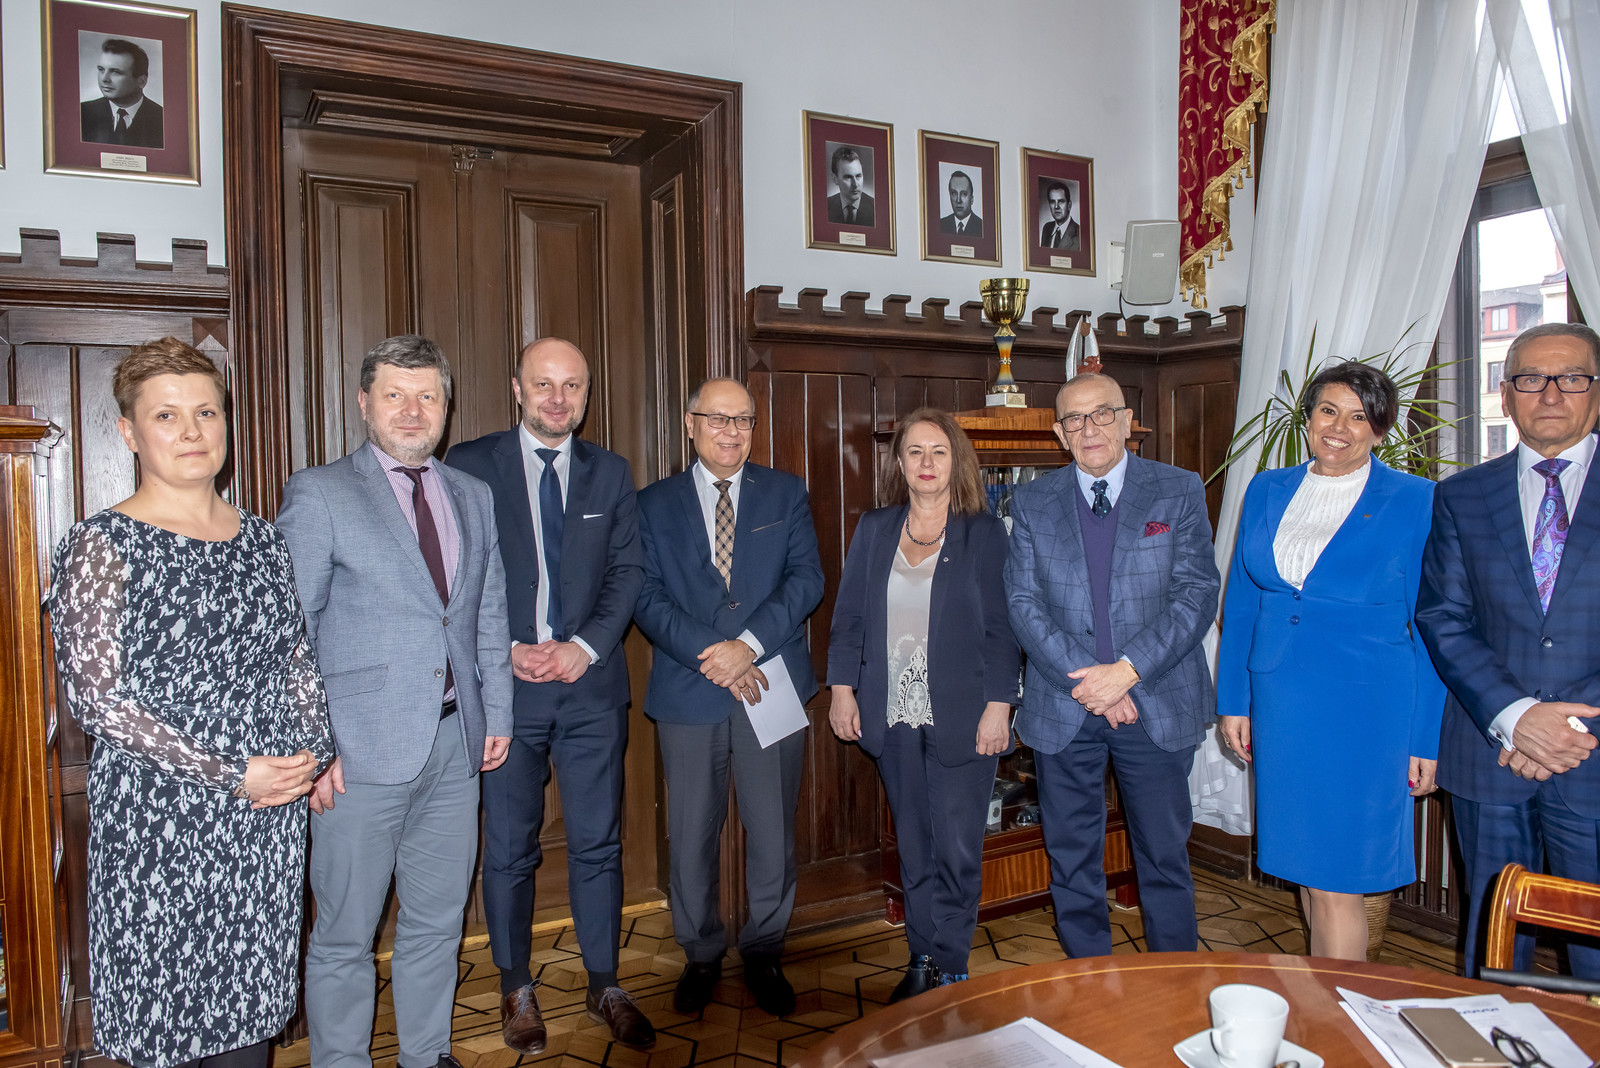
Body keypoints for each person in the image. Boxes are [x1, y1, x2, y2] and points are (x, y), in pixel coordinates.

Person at [49, 337, 333, 1068]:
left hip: (264, 820)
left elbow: (295, 660)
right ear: (129, 432)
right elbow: (98, 700)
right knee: (168, 1025)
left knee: (247, 1025)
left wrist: (312, 751)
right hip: (159, 822)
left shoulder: (264, 541)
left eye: (206, 412)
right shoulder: (99, 545)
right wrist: (233, 773)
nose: (191, 431)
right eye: (166, 415)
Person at [277, 335, 513, 1068]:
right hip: (355, 756)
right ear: (364, 403)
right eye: (395, 395)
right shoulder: (320, 492)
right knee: (344, 936)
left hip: (454, 744)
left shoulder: (472, 494)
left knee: (438, 924)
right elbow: (288, 630)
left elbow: (488, 611)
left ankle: (426, 1055)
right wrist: (311, 748)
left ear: (446, 406)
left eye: (427, 396)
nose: (413, 411)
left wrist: (496, 714)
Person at [444, 338, 652, 1053]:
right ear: (517, 388)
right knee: (509, 848)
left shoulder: (610, 472)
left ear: (587, 395)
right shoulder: (469, 465)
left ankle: (604, 983)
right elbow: (455, 574)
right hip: (506, 693)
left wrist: (582, 647)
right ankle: (515, 986)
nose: (558, 399)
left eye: (572, 386)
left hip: (591, 690)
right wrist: (504, 649)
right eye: (543, 384)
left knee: (598, 843)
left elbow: (627, 573)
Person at [1217, 362, 1445, 960]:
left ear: (1380, 430)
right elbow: (1242, 603)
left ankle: (1340, 1008)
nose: (1339, 427)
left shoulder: (1415, 500)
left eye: (1359, 417)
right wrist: (1234, 701)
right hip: (1282, 704)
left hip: (1366, 711)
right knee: (1309, 873)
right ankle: (1326, 999)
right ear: (1308, 417)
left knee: (1341, 881)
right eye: (1328, 410)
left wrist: (1425, 738)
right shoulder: (1266, 489)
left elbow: (1431, 626)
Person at [1004, 372, 1220, 957]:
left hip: (1156, 704)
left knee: (1163, 857)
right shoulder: (1032, 502)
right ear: (1059, 434)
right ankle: (1088, 983)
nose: (1089, 428)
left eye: (1102, 414)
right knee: (1071, 858)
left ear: (1127, 422)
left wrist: (1126, 672)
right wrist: (1091, 683)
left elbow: (1197, 594)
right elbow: (1022, 603)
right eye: (1074, 419)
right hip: (1065, 706)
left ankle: (1173, 982)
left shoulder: (1177, 489)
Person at [633, 377, 824, 1018]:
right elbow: (646, 596)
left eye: (742, 420)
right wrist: (717, 654)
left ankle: (765, 949)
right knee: (690, 834)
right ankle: (701, 953)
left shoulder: (784, 492)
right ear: (690, 424)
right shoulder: (651, 503)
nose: (731, 431)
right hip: (689, 688)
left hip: (772, 680)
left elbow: (806, 580)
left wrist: (747, 645)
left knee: (772, 829)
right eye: (717, 418)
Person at [1417, 321, 1600, 978]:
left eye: (1571, 377)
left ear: (1596, 391)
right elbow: (1443, 617)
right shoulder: (1462, 495)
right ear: (1505, 394)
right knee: (1492, 945)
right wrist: (1518, 718)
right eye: (1530, 379)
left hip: (1592, 755)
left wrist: (1564, 728)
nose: (1550, 394)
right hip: (1490, 754)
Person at [826, 408, 1019, 1000]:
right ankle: (922, 957)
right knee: (914, 844)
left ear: (957, 461)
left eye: (939, 451)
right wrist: (841, 690)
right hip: (891, 712)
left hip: (965, 713)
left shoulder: (983, 533)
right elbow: (849, 618)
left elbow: (1002, 630)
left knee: (957, 847)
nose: (927, 462)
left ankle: (951, 964)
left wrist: (1000, 706)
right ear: (900, 463)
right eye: (915, 451)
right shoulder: (875, 528)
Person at [80, 38, 164, 148]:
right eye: (101, 70)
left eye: (116, 72)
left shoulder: (162, 119)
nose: (104, 79)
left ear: (141, 82)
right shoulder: (82, 113)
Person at [826, 145, 876, 227]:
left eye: (858, 176)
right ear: (835, 179)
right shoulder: (825, 206)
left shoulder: (876, 208)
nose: (855, 184)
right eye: (848, 177)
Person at [939, 170, 983, 238]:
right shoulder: (940, 225)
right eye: (954, 193)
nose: (958, 200)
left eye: (964, 194)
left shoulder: (982, 227)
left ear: (971, 199)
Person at [1040, 182, 1080, 250]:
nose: (1056, 206)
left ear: (1069, 205)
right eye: (1052, 202)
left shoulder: (1079, 233)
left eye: (1061, 201)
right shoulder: (1047, 228)